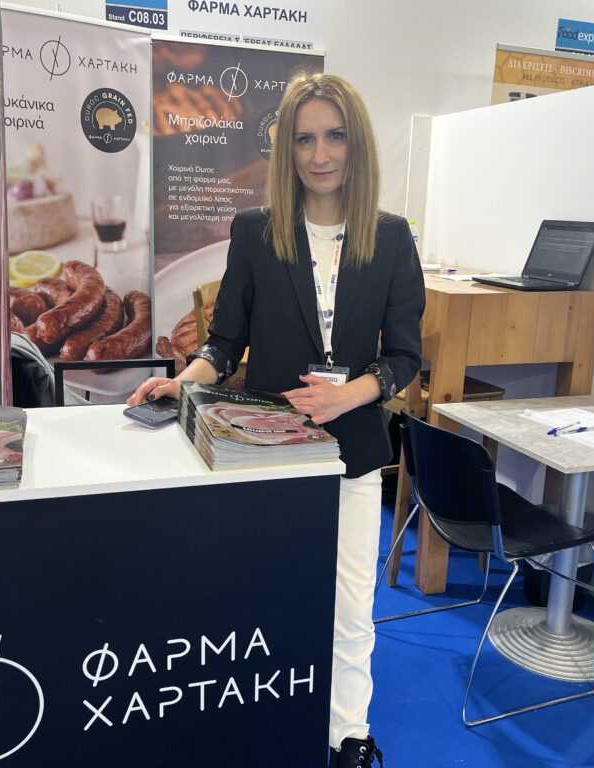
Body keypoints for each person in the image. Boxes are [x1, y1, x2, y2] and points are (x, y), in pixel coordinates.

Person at [128, 72, 425, 767]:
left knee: (350, 605)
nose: (320, 155)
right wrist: (181, 381)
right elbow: (223, 344)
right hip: (266, 451)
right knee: (263, 597)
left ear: (357, 144)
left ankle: (349, 734)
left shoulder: (391, 237)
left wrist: (350, 395)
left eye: (335, 136)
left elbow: (405, 358)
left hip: (352, 451)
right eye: (304, 139)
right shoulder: (256, 232)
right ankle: (263, 720)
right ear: (286, 149)